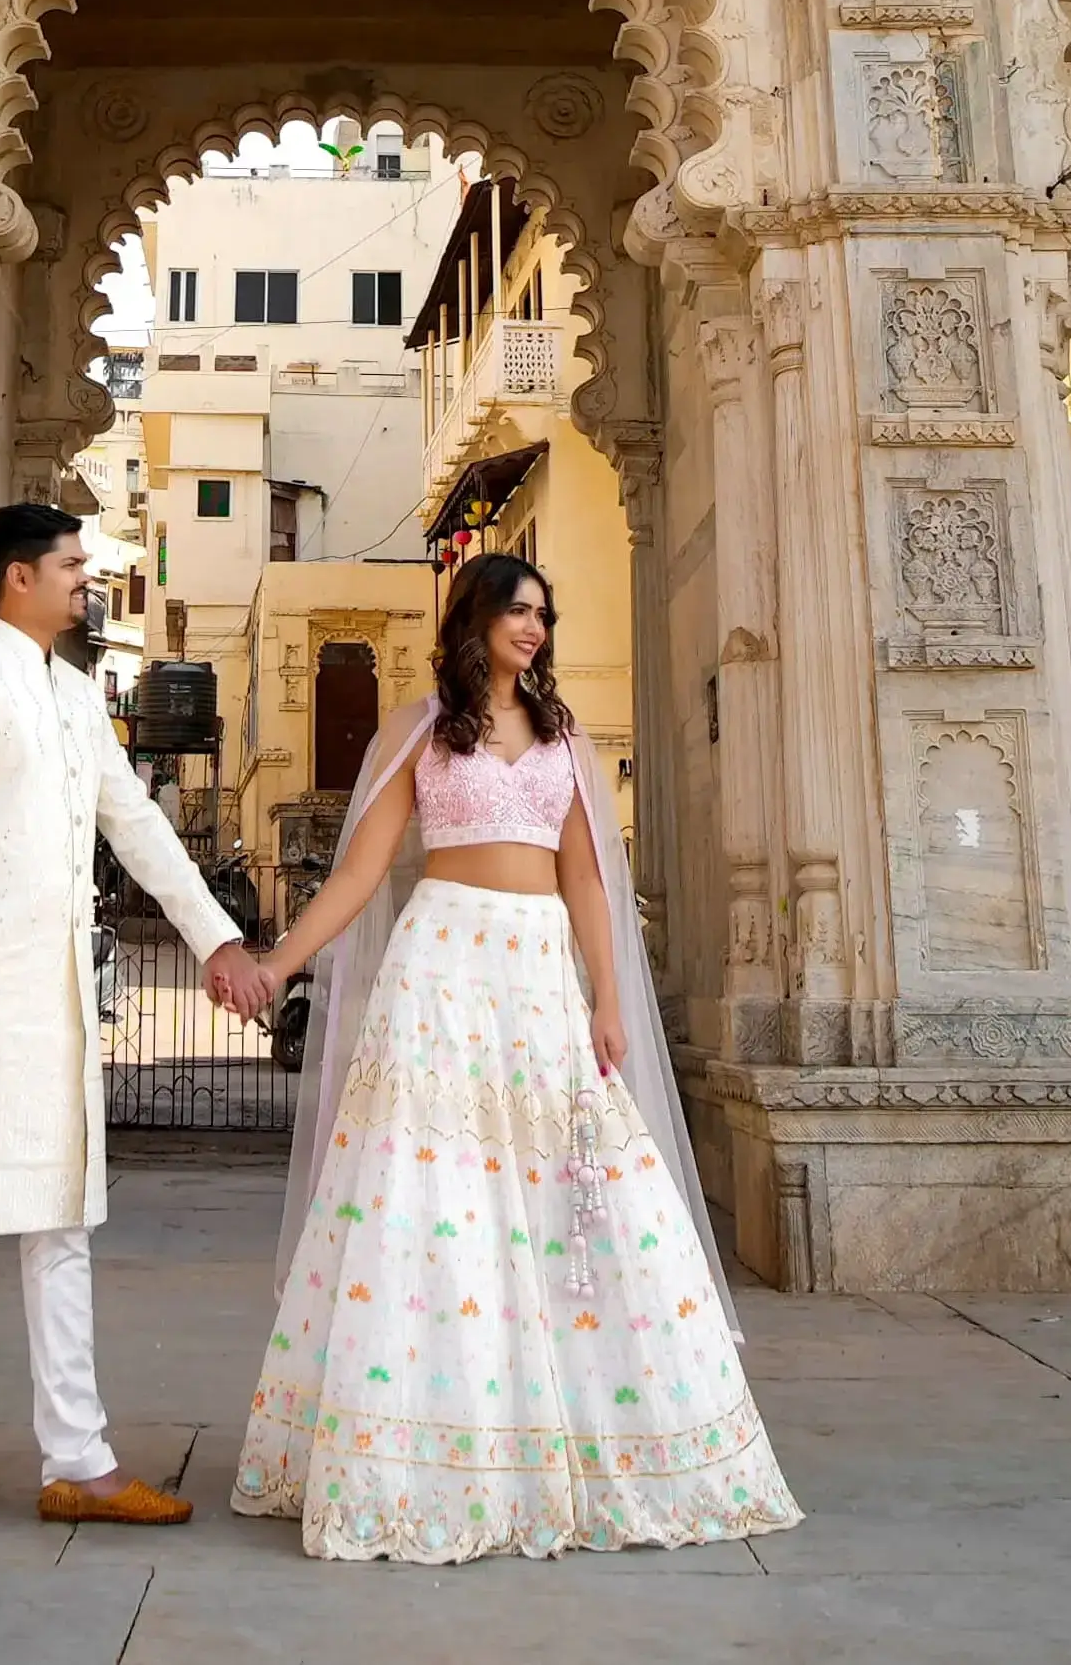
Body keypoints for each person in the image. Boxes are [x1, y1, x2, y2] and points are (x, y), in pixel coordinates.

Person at [215, 553, 800, 1562]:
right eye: (518, 610)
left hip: (535, 976)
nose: (534, 628)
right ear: (475, 615)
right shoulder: (421, 727)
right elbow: (360, 871)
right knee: (431, 1192)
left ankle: (600, 1429)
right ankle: (433, 1444)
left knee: (577, 1187)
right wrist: (277, 962)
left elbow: (582, 878)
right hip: (441, 965)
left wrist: (607, 1000)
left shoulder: (561, 733)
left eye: (545, 613)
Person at [0, 502, 279, 1546]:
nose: (85, 582)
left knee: (61, 1226)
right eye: (71, 566)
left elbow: (140, 827)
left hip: (58, 1003)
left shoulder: (75, 696)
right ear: (17, 577)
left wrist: (216, 943)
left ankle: (78, 1460)